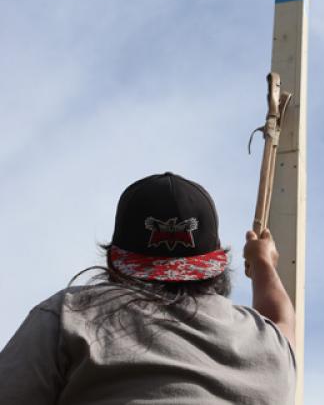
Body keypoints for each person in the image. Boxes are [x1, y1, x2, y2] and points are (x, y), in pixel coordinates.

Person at [0, 172, 296, 404]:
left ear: (114, 260)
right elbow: (283, 321)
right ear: (215, 265)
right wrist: (262, 264)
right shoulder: (264, 342)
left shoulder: (71, 315)